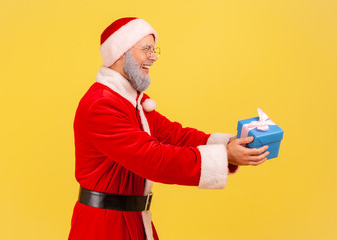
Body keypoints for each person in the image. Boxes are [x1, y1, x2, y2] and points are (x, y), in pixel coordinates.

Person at [68, 17, 269, 240]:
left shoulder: (133, 103)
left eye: (154, 50)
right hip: (103, 228)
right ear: (120, 53)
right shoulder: (101, 105)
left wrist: (228, 145)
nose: (153, 57)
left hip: (133, 220)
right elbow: (152, 158)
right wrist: (224, 155)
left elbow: (174, 136)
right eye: (146, 49)